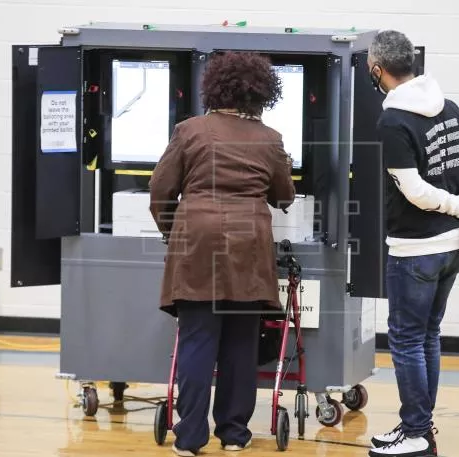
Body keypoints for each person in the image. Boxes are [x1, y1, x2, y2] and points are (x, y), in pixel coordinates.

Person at [149, 51, 295, 457]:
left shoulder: (189, 131)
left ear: (213, 88)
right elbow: (284, 196)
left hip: (197, 241)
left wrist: (173, 232)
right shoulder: (270, 139)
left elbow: (160, 192)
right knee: (240, 345)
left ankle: (190, 438)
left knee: (196, 341)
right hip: (248, 245)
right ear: (260, 93)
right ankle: (233, 433)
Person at [366, 30, 459, 457]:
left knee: (405, 340)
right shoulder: (450, 108)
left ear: (378, 70)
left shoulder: (392, 120)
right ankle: (418, 425)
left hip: (415, 250)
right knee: (427, 336)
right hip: (453, 248)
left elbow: (414, 190)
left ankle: (416, 433)